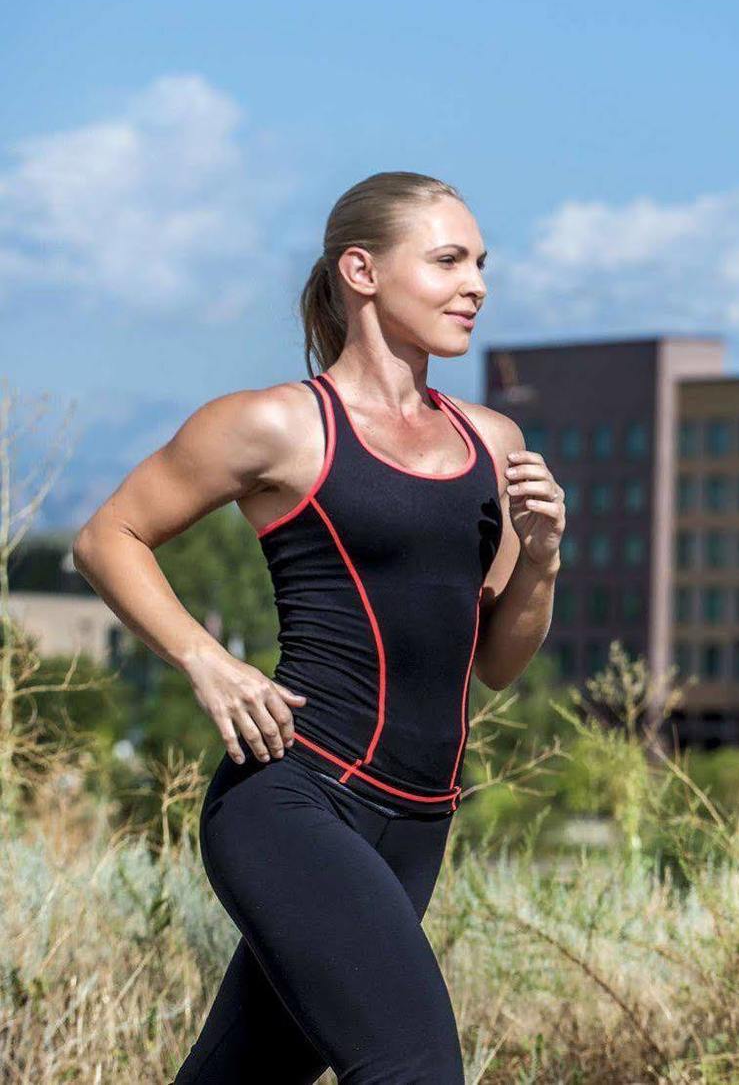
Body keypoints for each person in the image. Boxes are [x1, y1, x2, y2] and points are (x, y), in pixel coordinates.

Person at [71, 172, 564, 1084]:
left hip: (420, 822)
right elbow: (109, 536)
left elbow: (496, 662)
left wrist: (540, 559)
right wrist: (207, 662)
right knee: (414, 1068)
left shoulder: (492, 442)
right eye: (449, 260)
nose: (478, 285)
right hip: (293, 800)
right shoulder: (278, 425)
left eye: (483, 263)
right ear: (362, 270)